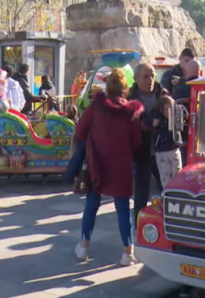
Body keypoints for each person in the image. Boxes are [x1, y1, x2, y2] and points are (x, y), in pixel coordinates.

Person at [74, 68, 143, 265]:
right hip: (121, 164)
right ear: (125, 90)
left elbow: (79, 132)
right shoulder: (131, 112)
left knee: (92, 205)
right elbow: (137, 142)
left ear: (107, 87)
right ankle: (127, 253)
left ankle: (83, 248)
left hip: (97, 163)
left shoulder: (95, 107)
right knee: (122, 209)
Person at [128, 62, 167, 224]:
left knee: (167, 189)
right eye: (146, 76)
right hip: (141, 152)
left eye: (152, 75)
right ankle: (139, 226)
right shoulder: (130, 99)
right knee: (141, 193)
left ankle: (169, 223)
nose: (150, 80)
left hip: (163, 151)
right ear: (136, 79)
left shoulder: (163, 93)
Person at [146, 95, 181, 187]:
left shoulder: (175, 117)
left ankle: (176, 191)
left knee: (177, 173)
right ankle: (167, 193)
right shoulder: (157, 117)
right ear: (160, 109)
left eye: (171, 108)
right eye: (166, 109)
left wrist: (178, 111)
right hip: (162, 151)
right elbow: (147, 121)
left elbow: (183, 121)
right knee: (165, 175)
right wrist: (153, 123)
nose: (169, 112)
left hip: (174, 148)